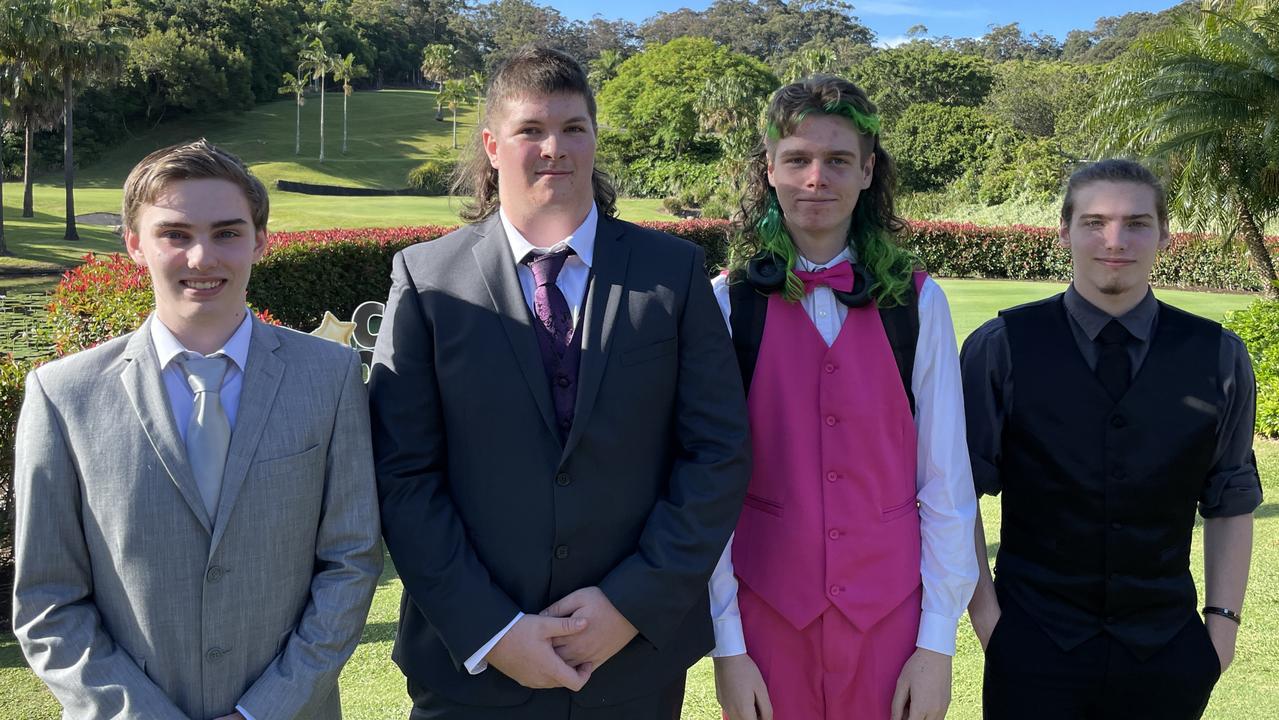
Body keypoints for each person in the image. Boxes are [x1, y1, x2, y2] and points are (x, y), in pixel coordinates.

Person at [368, 46, 751, 719]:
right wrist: (493, 629)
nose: (555, 148)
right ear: (492, 145)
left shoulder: (673, 273)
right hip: (472, 671)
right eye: (531, 131)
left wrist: (630, 603)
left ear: (594, 139)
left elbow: (716, 454)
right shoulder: (426, 281)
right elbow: (403, 476)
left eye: (574, 128)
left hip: (631, 668)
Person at [12, 139, 383, 719]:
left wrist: (266, 708)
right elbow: (48, 602)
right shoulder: (64, 396)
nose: (201, 257)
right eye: (175, 234)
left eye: (227, 233)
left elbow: (352, 559)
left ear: (261, 240)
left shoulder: (330, 377)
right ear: (134, 243)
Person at [709, 75, 978, 720]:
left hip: (889, 621)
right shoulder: (728, 302)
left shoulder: (918, 303)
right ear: (768, 170)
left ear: (867, 171)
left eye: (837, 160)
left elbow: (946, 479)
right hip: (767, 616)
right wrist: (727, 647)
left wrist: (936, 644)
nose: (815, 178)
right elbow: (706, 482)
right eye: (797, 159)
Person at [961, 158, 1261, 719]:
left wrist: (1221, 632)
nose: (1115, 240)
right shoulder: (1000, 347)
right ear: (1064, 232)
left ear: (1165, 235)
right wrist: (990, 622)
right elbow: (958, 495)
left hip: (1168, 650)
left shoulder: (1219, 355)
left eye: (1137, 223)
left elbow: (1231, 499)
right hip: (1031, 646)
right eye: (1095, 222)